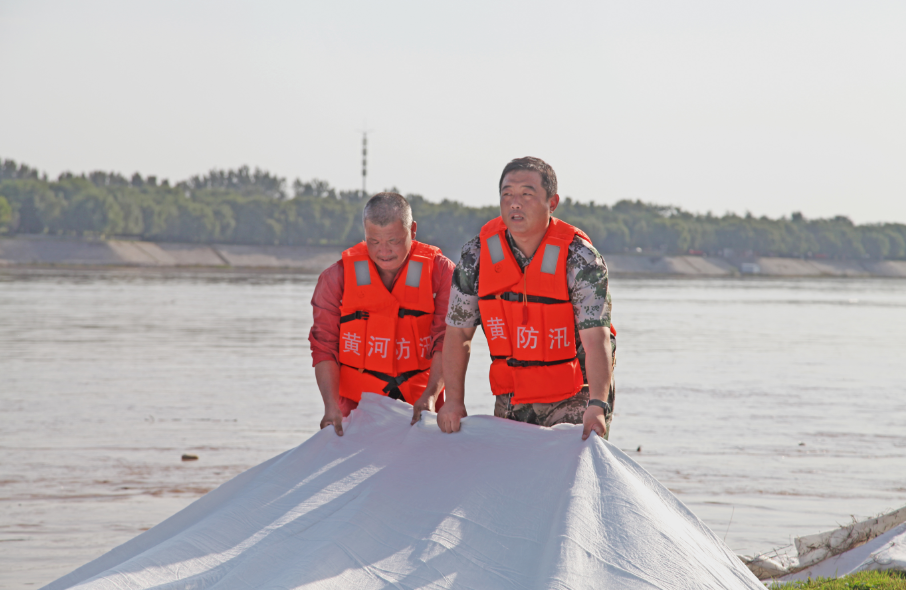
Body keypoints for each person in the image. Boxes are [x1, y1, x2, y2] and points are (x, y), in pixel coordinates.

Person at [438, 157, 616, 440]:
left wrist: (597, 405)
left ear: (552, 202)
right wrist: (454, 401)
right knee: (510, 478)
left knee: (568, 475)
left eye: (526, 194)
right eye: (507, 194)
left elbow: (597, 338)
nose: (514, 203)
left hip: (574, 393)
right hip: (513, 394)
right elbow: (459, 332)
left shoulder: (580, 259)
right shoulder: (476, 256)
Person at [309, 192, 455, 435]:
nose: (384, 252)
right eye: (374, 241)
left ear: (413, 230)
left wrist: (431, 395)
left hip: (423, 404)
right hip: (356, 409)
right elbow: (324, 345)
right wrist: (330, 406)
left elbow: (448, 339)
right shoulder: (336, 278)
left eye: (394, 241)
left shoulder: (441, 272)